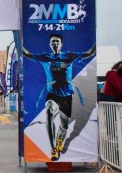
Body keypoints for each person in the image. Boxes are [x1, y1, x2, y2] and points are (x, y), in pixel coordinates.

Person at [23, 33, 96, 161]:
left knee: (64, 126)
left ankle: (60, 141)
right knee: (50, 112)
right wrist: (20, 42)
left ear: (61, 44)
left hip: (66, 94)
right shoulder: (45, 57)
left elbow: (89, 53)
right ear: (50, 45)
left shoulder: (69, 55)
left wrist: (96, 41)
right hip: (52, 94)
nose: (55, 43)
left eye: (57, 41)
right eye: (53, 42)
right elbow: (27, 54)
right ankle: (53, 149)